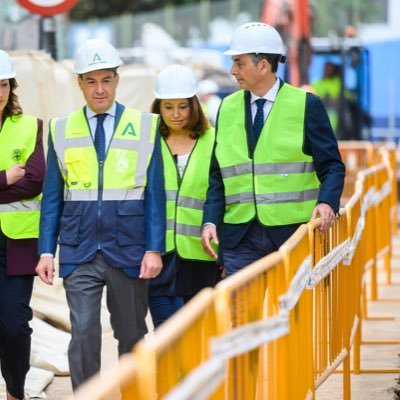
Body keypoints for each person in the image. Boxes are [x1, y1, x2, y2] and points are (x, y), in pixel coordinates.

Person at [35, 38, 165, 390]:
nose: (99, 89)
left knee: (131, 333)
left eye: (106, 79)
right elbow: (52, 197)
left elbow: (155, 195)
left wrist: (154, 247)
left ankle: (134, 395)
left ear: (117, 80)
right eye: (91, 81)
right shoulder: (60, 128)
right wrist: (46, 250)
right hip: (80, 249)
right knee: (83, 332)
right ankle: (86, 396)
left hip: (129, 248)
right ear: (79, 83)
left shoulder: (145, 126)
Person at [201, 22, 345, 276]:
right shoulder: (227, 108)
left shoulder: (306, 105)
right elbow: (217, 176)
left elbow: (332, 165)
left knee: (295, 313)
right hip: (239, 237)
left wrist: (327, 203)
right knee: (242, 314)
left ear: (264, 65)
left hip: (292, 234)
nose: (232, 70)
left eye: (239, 63)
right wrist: (210, 220)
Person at [148, 65, 220, 328]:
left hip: (201, 258)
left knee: (198, 337)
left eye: (182, 106)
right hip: (158, 254)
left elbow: (222, 192)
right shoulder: (148, 140)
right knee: (166, 337)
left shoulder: (215, 139)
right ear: (158, 107)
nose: (175, 114)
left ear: (195, 105)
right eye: (168, 107)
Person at [0, 49, 45, 400]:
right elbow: (15, 180)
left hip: (17, 243)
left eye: (3, 84)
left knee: (14, 326)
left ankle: (15, 391)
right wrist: (4, 179)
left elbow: (35, 181)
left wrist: (18, 180)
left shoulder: (31, 126)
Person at [312, 61, 341, 132]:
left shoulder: (338, 83)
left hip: (334, 112)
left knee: (332, 116)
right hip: (318, 112)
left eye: (329, 69)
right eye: (326, 69)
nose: (327, 70)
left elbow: (344, 98)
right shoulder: (317, 83)